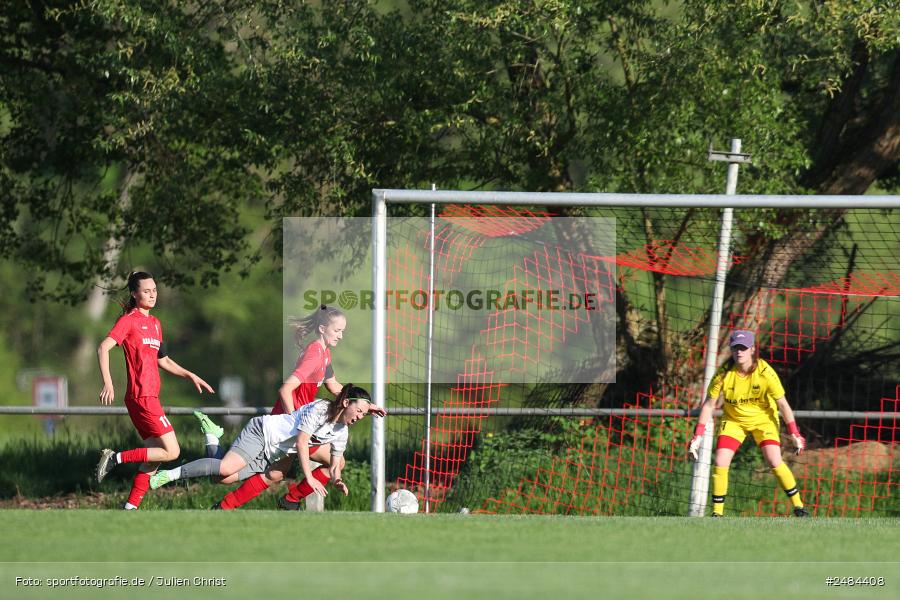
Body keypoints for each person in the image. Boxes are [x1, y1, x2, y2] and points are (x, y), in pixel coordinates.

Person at [149, 385, 379, 510]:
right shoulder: (320, 408)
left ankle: (212, 438)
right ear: (346, 403)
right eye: (359, 411)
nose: (360, 417)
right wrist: (309, 477)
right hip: (262, 431)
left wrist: (337, 479)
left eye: (364, 414)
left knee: (223, 477)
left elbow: (336, 460)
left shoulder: (342, 431)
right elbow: (301, 442)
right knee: (227, 467)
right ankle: (168, 474)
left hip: (274, 451)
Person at [95, 271, 215, 509]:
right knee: (172, 451)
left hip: (147, 397)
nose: (152, 295)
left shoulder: (156, 324)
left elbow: (164, 360)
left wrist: (190, 374)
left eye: (154, 290)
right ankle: (116, 458)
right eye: (146, 291)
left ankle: (130, 508)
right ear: (134, 293)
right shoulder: (128, 320)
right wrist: (108, 382)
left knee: (154, 457)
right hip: (142, 397)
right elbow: (103, 348)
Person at [688, 329, 809, 517]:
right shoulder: (723, 374)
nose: (739, 352)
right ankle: (717, 514)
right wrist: (698, 436)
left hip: (764, 421)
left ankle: (799, 507)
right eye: (736, 348)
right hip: (734, 421)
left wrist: (794, 433)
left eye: (743, 348)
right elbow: (708, 405)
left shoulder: (765, 372)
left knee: (774, 460)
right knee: (720, 461)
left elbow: (783, 404)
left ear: (752, 349)